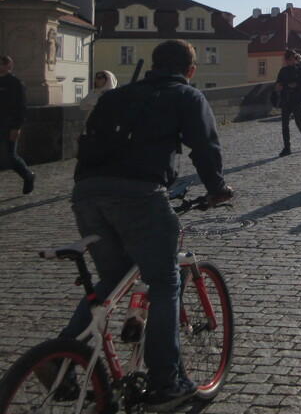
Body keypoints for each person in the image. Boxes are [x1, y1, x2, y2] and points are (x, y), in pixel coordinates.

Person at [62, 39, 232, 411]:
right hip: (139, 195)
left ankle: (62, 357)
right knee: (165, 281)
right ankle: (165, 382)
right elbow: (204, 147)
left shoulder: (115, 96)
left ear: (153, 64)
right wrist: (218, 189)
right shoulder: (186, 96)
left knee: (113, 276)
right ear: (191, 70)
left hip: (86, 194)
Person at [0, 56, 35, 194]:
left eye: (1, 63)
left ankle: (28, 175)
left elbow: (21, 107)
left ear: (9, 65)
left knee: (10, 156)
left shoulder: (15, 83)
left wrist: (17, 127)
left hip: (9, 124)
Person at [275, 49, 301, 157]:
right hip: (286, 99)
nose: (290, 62)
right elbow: (278, 83)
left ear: (295, 59)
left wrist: (297, 85)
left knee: (298, 122)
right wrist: (279, 86)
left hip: (298, 99)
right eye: (288, 60)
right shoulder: (283, 71)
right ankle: (287, 147)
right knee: (284, 124)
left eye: (292, 60)